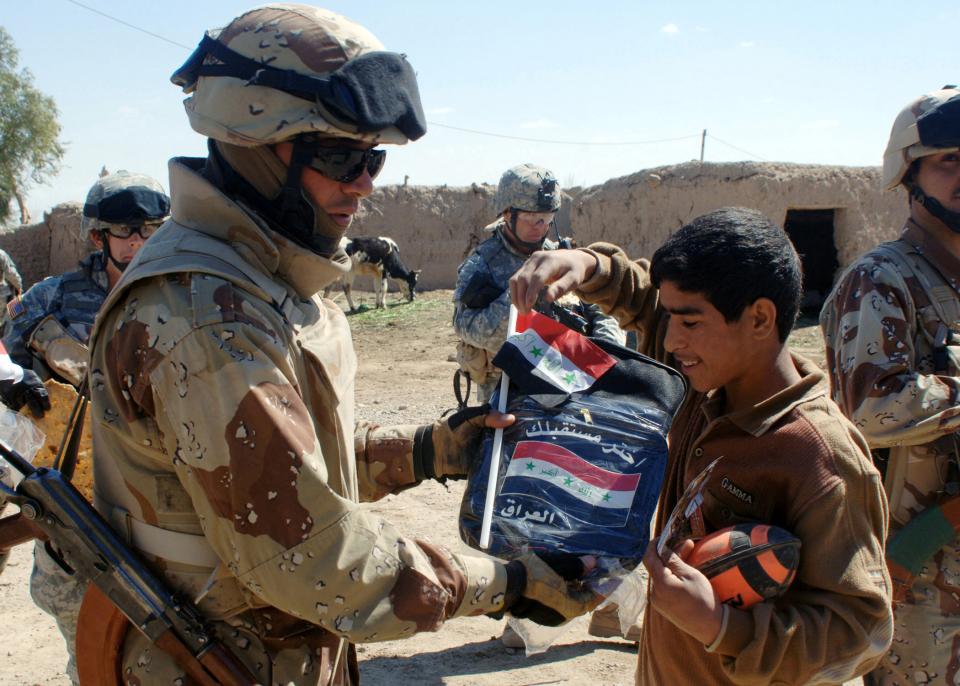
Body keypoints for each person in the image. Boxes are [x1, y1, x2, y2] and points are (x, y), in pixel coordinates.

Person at [84, 6, 598, 684]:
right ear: (250, 139)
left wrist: (432, 449)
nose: (364, 182)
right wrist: (511, 583)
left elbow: (303, 454)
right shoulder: (205, 316)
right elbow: (318, 560)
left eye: (372, 157)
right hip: (211, 659)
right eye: (339, 157)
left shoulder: (267, 277)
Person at [510, 207, 894, 684]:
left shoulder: (818, 456)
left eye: (688, 323)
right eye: (670, 319)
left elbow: (861, 631)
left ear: (759, 318)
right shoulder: (701, 383)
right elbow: (646, 297)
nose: (670, 340)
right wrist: (586, 264)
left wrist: (722, 627)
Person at [3, 170, 171, 685]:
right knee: (82, 621)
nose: (140, 241)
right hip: (76, 490)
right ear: (98, 236)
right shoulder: (51, 298)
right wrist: (18, 382)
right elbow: (7, 359)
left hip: (156, 485)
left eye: (150, 229)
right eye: (127, 231)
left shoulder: (175, 292)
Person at [820, 86, 960, 686]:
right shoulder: (881, 279)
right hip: (920, 572)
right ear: (911, 173)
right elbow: (871, 408)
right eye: (949, 159)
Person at [454, 163, 625, 405]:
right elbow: (465, 326)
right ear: (507, 214)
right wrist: (519, 298)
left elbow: (602, 308)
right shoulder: (482, 264)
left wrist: (604, 350)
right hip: (506, 392)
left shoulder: (560, 256)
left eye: (547, 218)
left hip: (569, 384)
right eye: (531, 218)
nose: (541, 227)